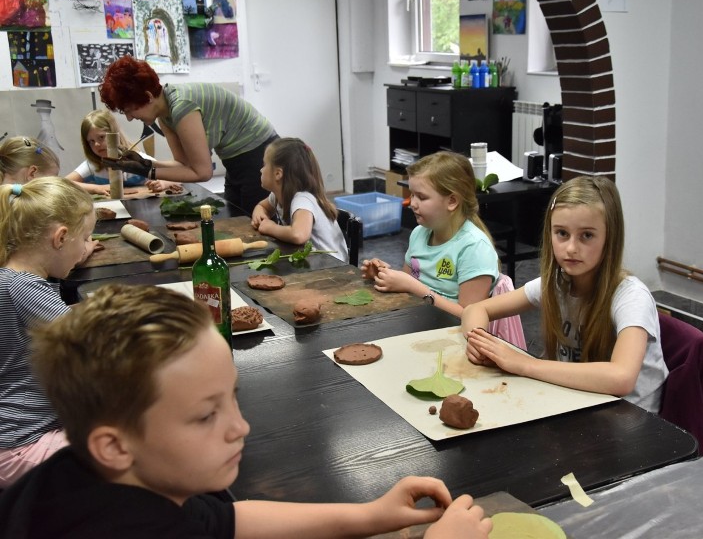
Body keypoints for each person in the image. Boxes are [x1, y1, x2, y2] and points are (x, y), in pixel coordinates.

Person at [0, 284, 492, 538]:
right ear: (113, 445)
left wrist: (369, 515)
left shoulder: (125, 476)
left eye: (231, 398)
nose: (241, 427)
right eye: (204, 416)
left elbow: (225, 522)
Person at [462, 176, 669, 413]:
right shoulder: (555, 284)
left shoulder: (631, 297)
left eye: (587, 236)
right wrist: (478, 342)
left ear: (610, 238)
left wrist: (527, 365)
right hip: (575, 404)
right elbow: (476, 309)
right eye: (561, 233)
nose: (571, 248)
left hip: (629, 421)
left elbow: (621, 378)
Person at [0, 177, 96, 487]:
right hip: (22, 443)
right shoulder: (25, 288)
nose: (85, 249)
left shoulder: (8, 278)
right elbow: (90, 342)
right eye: (86, 238)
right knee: (128, 456)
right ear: (60, 237)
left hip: (11, 435)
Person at [98, 56, 278, 213]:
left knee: (251, 228)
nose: (129, 118)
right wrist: (145, 163)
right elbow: (183, 163)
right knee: (235, 217)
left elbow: (203, 172)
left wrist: (150, 172)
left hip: (259, 155)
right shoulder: (165, 114)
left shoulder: (182, 107)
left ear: (148, 96)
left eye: (130, 109)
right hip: (236, 159)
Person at [360, 151, 499, 318]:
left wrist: (415, 288)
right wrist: (383, 275)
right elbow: (408, 279)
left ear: (452, 201)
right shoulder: (419, 233)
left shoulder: (475, 248)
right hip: (421, 321)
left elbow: (469, 315)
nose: (412, 204)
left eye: (421, 197)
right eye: (412, 194)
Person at [251, 137, 348, 262]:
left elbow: (299, 235)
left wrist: (270, 227)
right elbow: (262, 206)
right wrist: (259, 214)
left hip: (332, 268)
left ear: (278, 174)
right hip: (312, 263)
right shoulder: (276, 196)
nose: (261, 169)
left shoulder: (302, 200)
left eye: (264, 164)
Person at [66, 109, 179, 195]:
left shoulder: (138, 160)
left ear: (115, 135)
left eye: (101, 137)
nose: (96, 144)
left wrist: (163, 183)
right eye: (91, 141)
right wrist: (97, 188)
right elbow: (62, 184)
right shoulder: (92, 166)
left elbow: (178, 175)